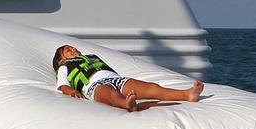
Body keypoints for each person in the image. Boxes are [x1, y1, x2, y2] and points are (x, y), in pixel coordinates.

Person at [52, 45, 203, 112]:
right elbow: (62, 85)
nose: (73, 49)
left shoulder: (91, 57)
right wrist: (72, 92)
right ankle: (127, 104)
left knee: (152, 87)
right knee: (110, 94)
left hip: (116, 79)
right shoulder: (64, 67)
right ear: (61, 59)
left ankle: (186, 94)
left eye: (73, 47)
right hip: (94, 85)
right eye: (68, 50)